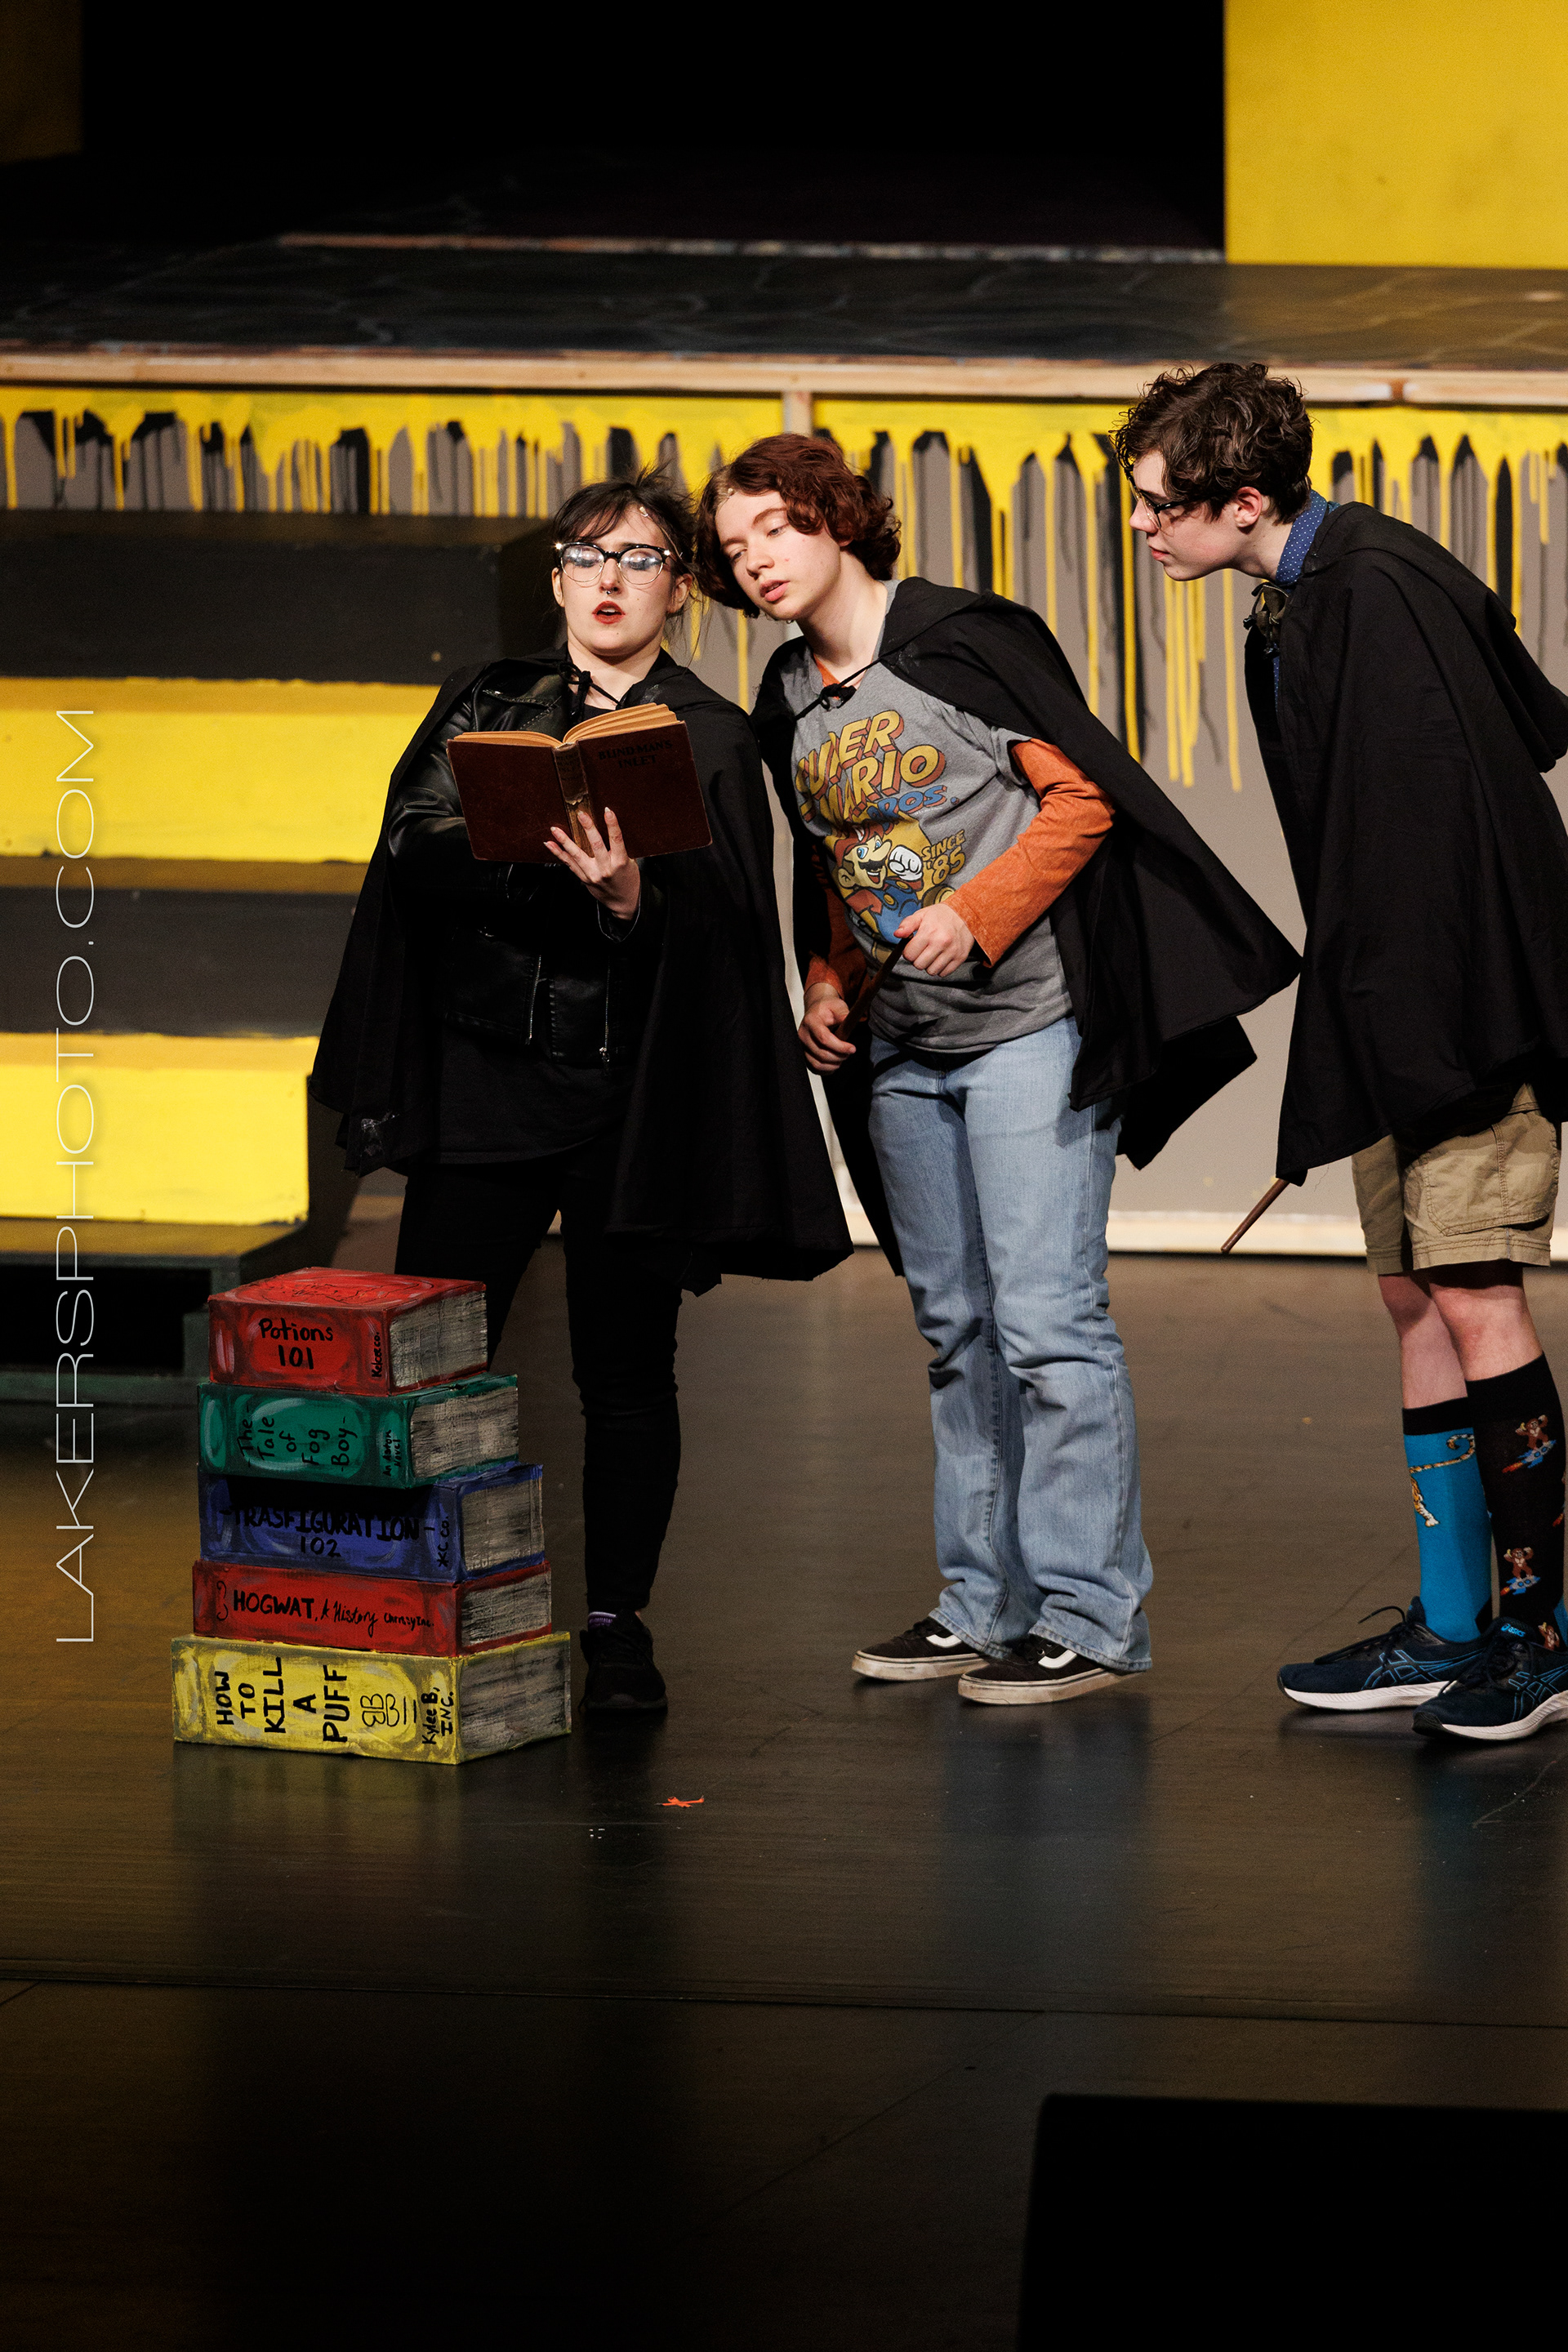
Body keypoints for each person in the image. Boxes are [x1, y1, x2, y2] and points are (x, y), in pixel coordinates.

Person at [693, 434, 1298, 1704]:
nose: (758, 562)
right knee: (955, 1330)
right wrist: (826, 982)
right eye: (736, 548)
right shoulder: (786, 697)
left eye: (778, 529)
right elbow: (834, 863)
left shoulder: (961, 641)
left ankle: (1091, 1616)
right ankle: (982, 1605)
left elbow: (1083, 801)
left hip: (1030, 1026)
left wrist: (978, 911)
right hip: (902, 1048)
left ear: (838, 522)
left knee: (1046, 1326)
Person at [312, 470, 851, 1713]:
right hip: (485, 1086)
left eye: (642, 559)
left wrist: (630, 900)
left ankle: (618, 1626)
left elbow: (727, 940)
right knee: (435, 1363)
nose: (612, 579)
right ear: (557, 579)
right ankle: (413, 1598)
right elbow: (411, 844)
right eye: (589, 556)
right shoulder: (486, 699)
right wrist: (538, 866)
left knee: (627, 1374)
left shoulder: (710, 732)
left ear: (680, 589)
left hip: (629, 1103)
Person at [1116, 363, 1568, 1742]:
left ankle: (1543, 1640)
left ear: (1245, 501)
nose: (1142, 527)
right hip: (1390, 1009)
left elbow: (1462, 828)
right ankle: (1453, 1622)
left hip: (1461, 1015)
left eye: (1160, 506)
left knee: (1475, 1293)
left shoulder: (1377, 588)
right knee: (1414, 1300)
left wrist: (1425, 1046)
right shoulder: (1310, 592)